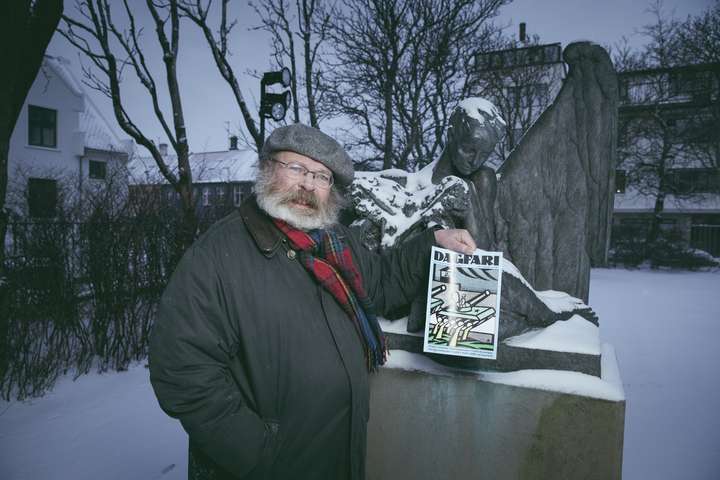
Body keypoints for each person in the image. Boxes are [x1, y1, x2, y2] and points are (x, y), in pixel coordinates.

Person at [148, 123, 476, 480]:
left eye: (321, 176)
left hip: (336, 459)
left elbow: (381, 282)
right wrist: (260, 456)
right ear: (267, 168)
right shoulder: (217, 256)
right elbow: (181, 372)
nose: (308, 185)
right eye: (296, 169)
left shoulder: (334, 242)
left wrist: (433, 242)